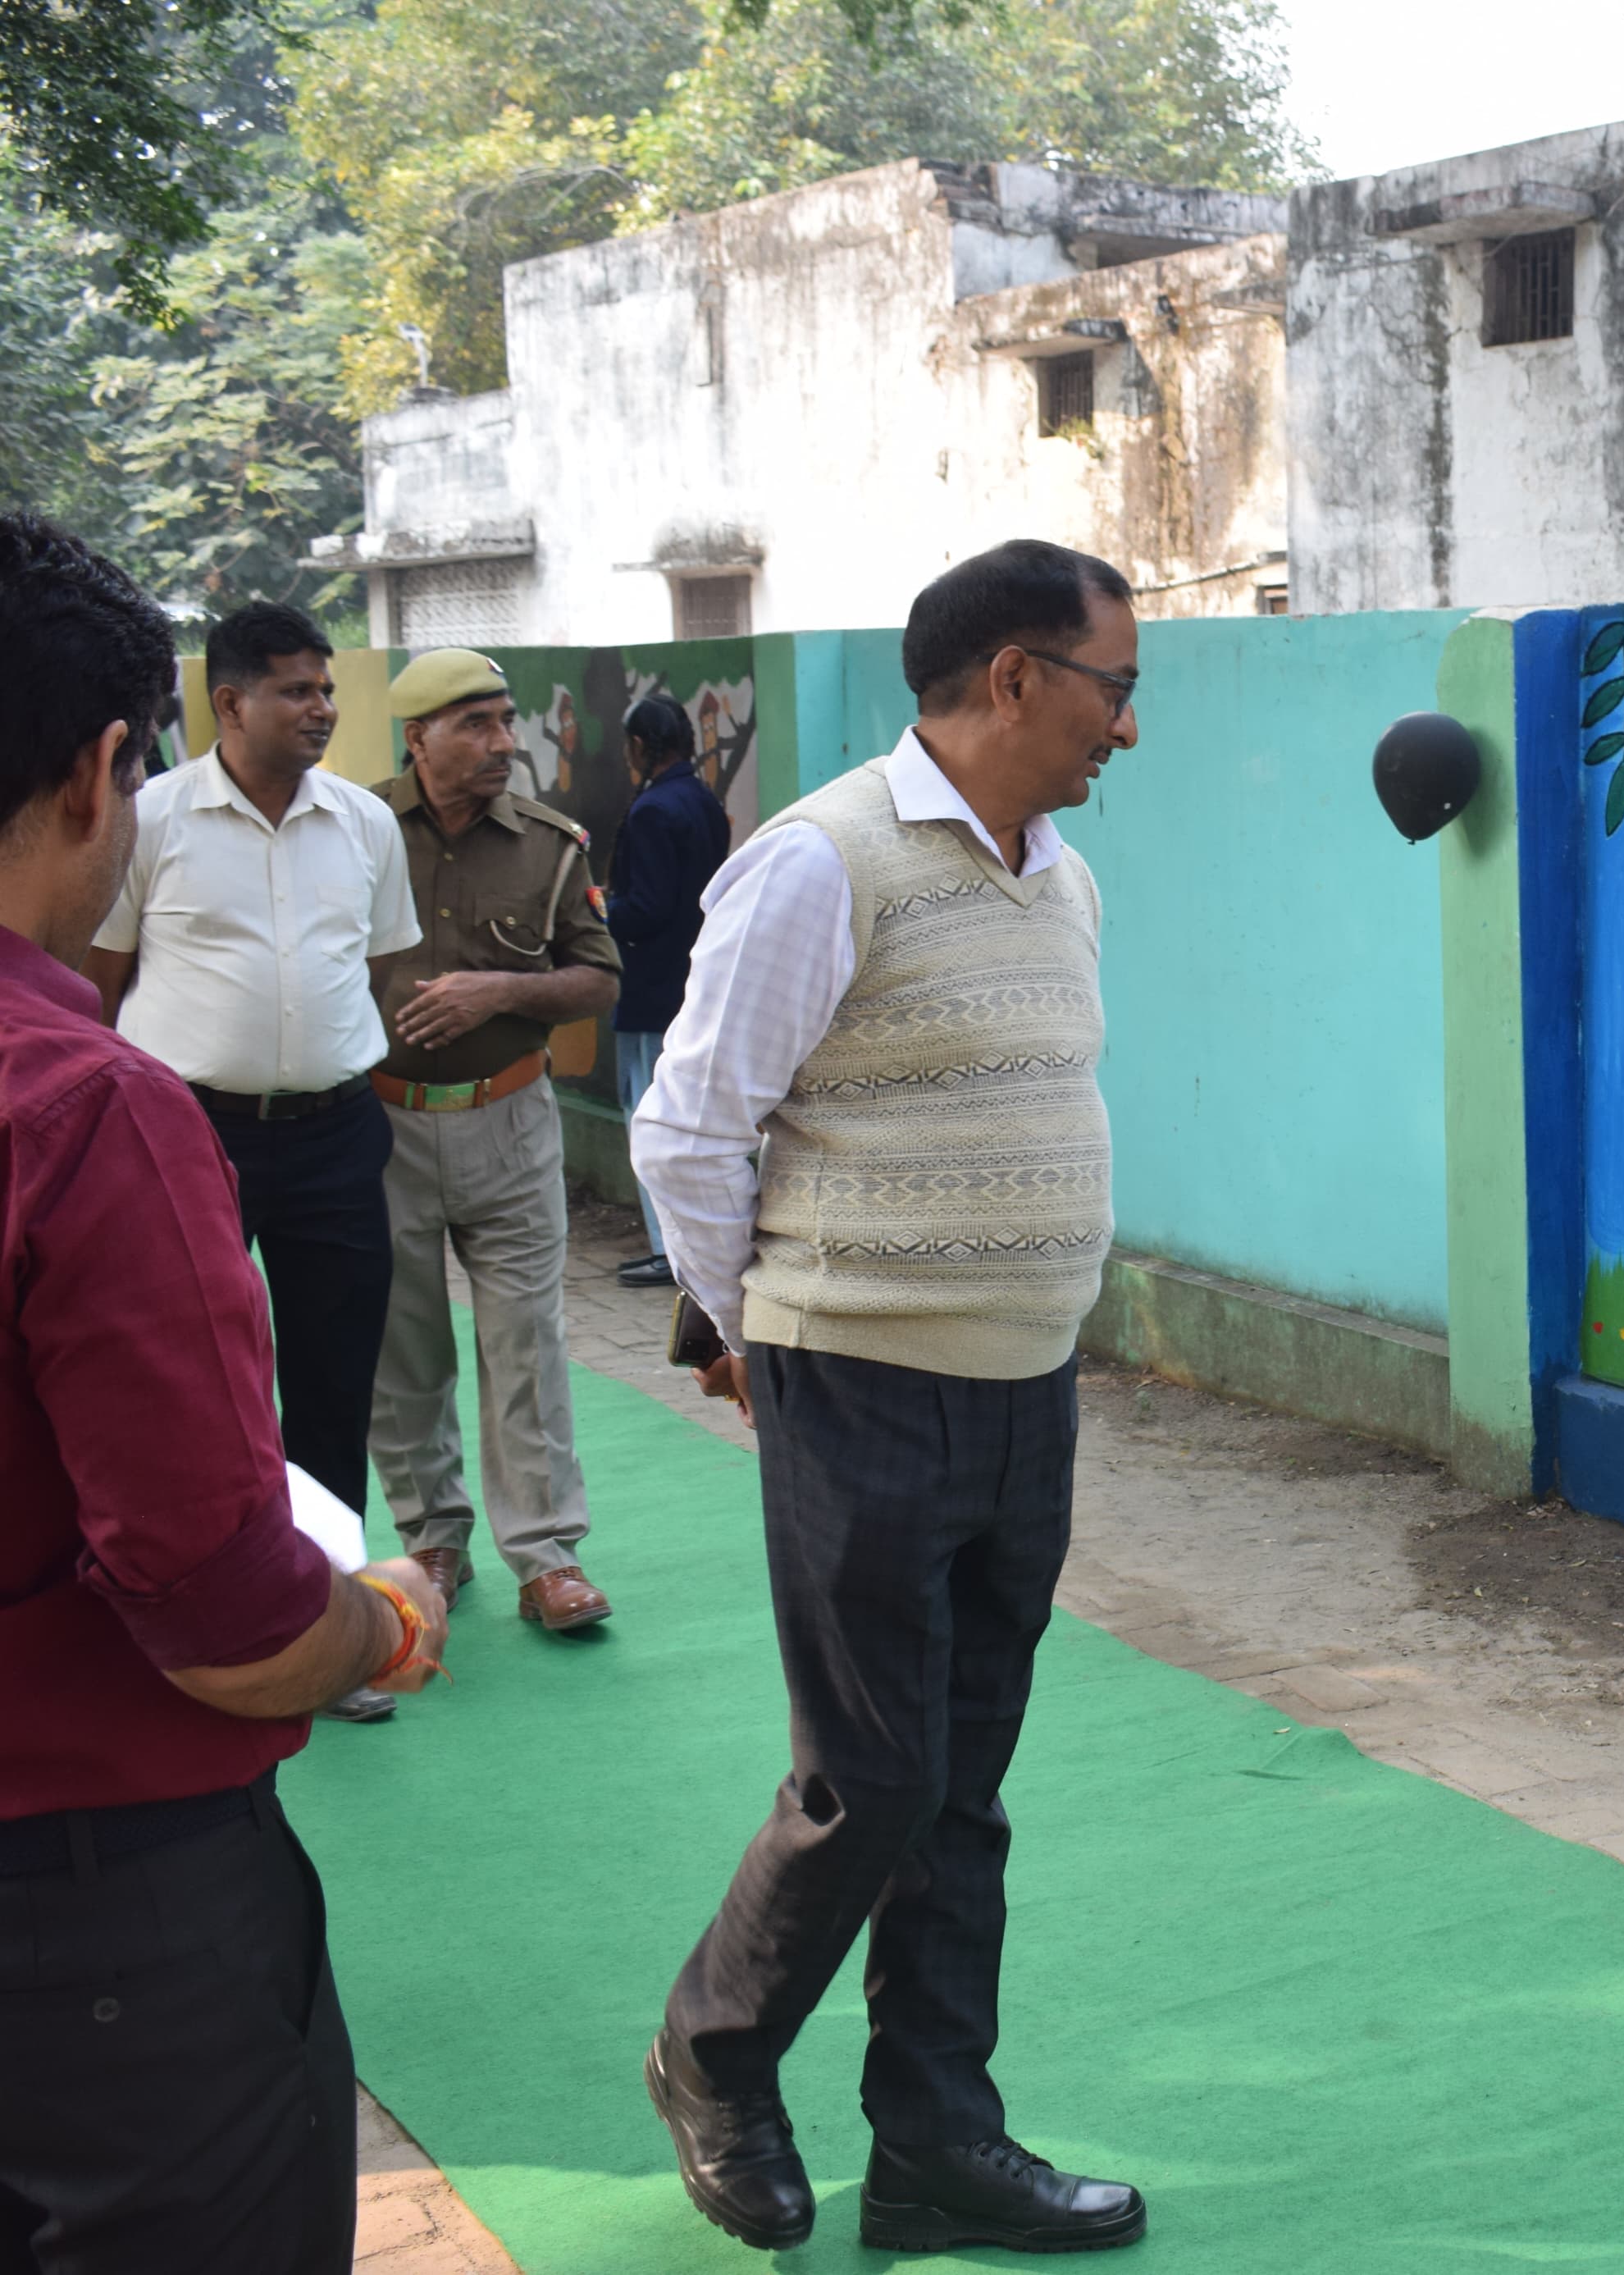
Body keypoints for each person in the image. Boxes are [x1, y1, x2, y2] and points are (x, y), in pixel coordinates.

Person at [632, 539, 1141, 2254]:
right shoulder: (822, 859)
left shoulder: (1062, 877)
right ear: (1014, 677)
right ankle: (712, 2053)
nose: (1128, 728)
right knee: (871, 1776)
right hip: (858, 1384)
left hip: (1025, 1389)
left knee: (963, 1783)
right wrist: (745, 1334)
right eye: (1114, 688)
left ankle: (934, 2143)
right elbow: (692, 1125)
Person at [0, 514, 452, 2274]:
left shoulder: (356, 838)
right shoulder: (81, 1110)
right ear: (107, 770)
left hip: (330, 1131)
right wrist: (377, 1625)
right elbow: (218, 1614)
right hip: (93, 1908)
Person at [81, 601, 423, 1725]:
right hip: (188, 1136)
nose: (321, 708)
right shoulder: (151, 818)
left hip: (336, 1135)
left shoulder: (365, 823)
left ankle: (326, 1633)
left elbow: (376, 974)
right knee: (189, 1385)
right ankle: (188, 1628)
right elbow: (100, 987)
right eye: (295, 689)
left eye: (325, 688)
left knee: (332, 1380)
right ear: (229, 703)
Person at [367, 650, 626, 1635]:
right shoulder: (355, 832)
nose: (503, 741)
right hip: (382, 1124)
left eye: (506, 720)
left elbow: (598, 977)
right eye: (475, 723)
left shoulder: (550, 846)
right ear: (419, 737)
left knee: (526, 1341)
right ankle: (432, 1534)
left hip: (513, 1121)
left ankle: (547, 1555)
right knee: (404, 1342)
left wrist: (501, 991)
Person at [605, 692, 732, 1290]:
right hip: (694, 981)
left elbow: (647, 908)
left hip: (652, 987)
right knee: (685, 1120)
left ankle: (668, 1250)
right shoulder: (703, 801)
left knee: (647, 1115)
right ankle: (683, 1248)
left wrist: (599, 910)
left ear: (639, 746)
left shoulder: (653, 810)